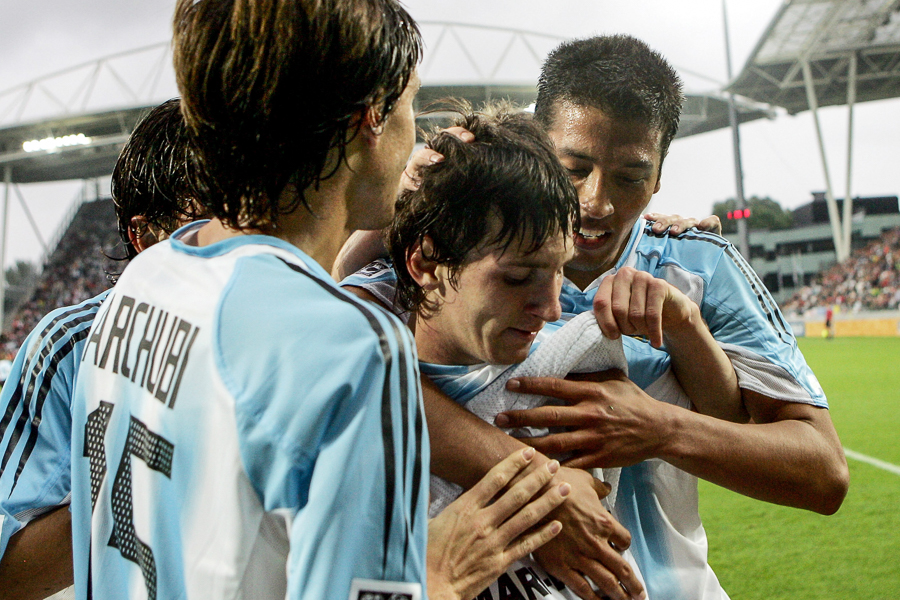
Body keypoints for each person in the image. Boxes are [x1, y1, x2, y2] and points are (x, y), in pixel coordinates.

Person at [68, 3, 570, 600]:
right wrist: (439, 577)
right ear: (370, 124)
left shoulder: (147, 278)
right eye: (411, 106)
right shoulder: (349, 345)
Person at [345, 34, 848, 600]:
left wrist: (662, 428)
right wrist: (548, 489)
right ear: (538, 147)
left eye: (631, 177)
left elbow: (823, 473)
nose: (597, 201)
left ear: (659, 177)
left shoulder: (696, 268)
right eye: (574, 166)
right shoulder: (461, 245)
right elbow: (344, 360)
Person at [0, 98, 203, 600]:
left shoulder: (284, 331)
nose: (229, 235)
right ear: (142, 234)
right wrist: (141, 486)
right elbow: (5, 569)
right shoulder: (69, 344)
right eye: (203, 215)